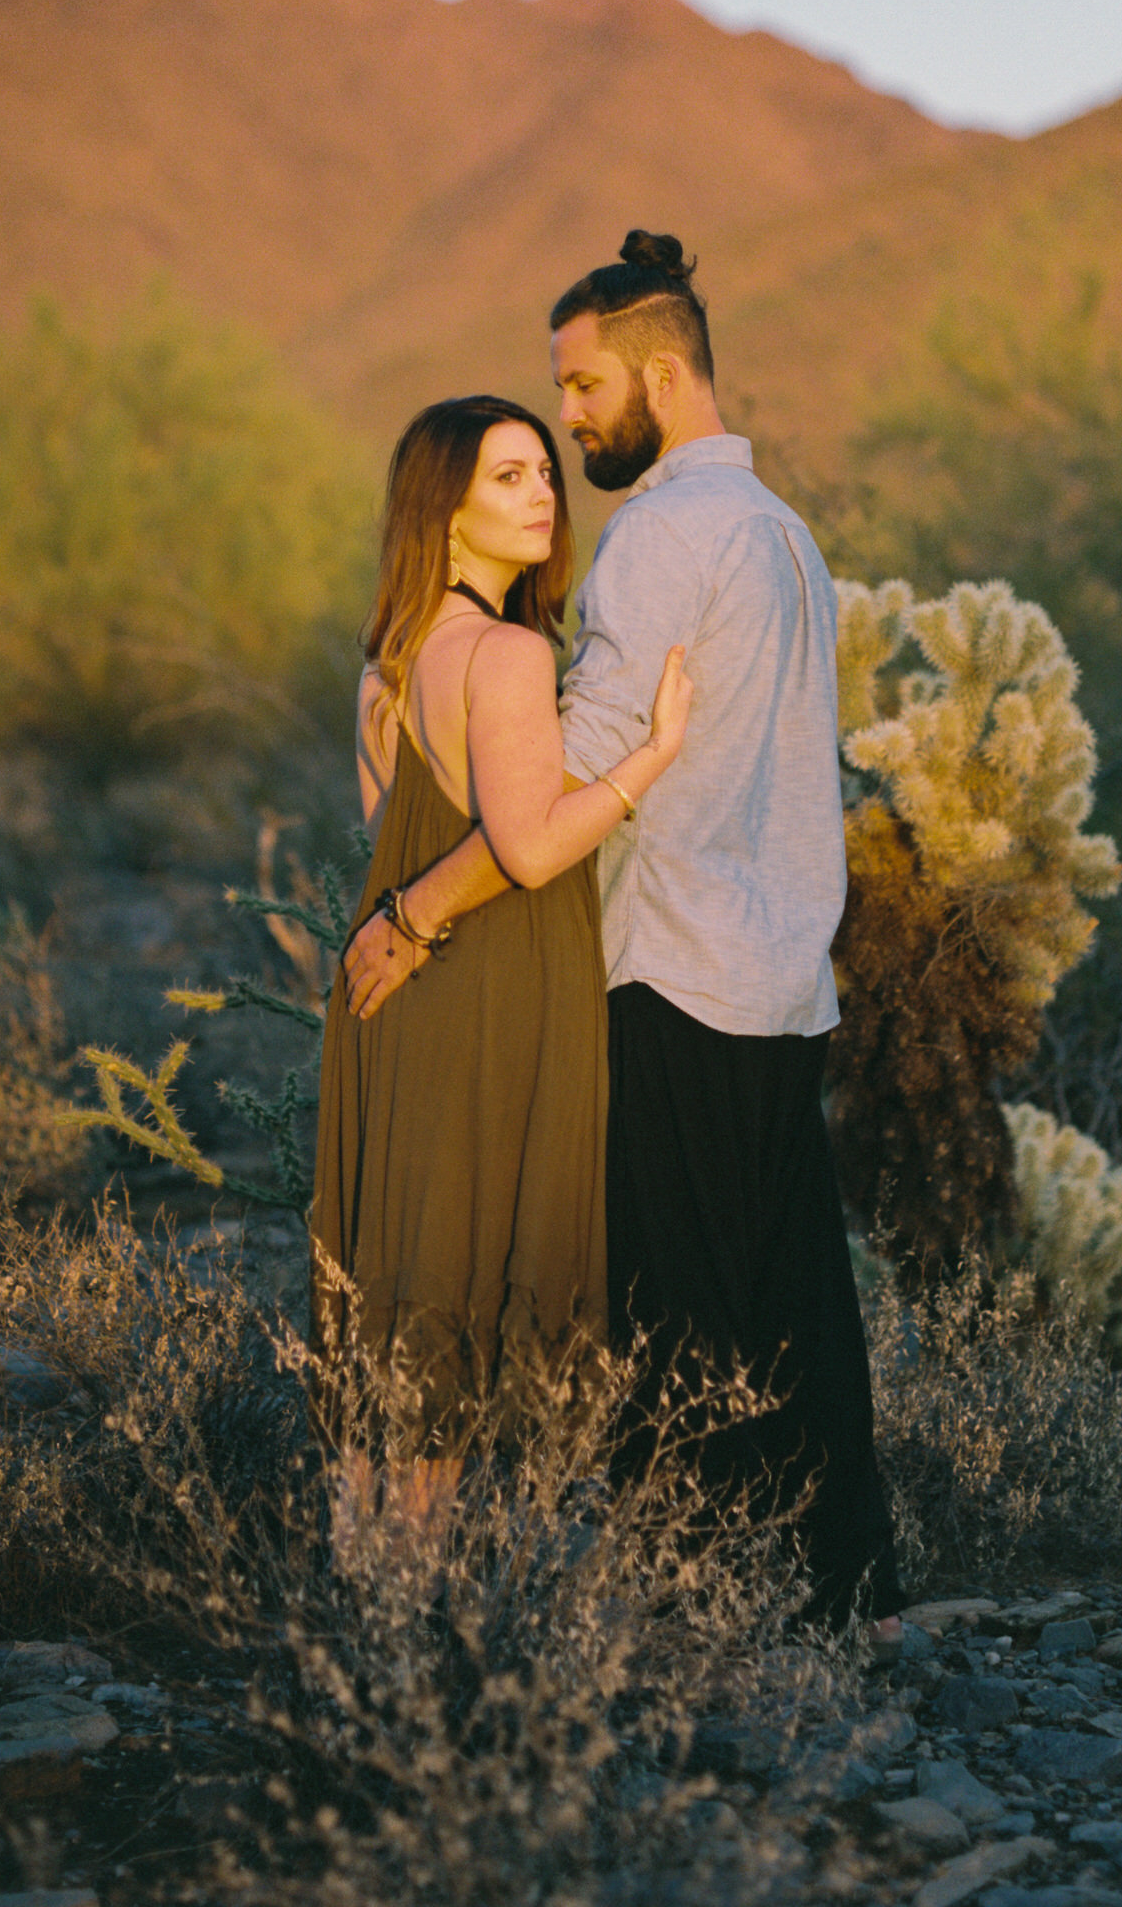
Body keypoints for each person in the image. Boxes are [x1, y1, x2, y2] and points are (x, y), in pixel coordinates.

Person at [344, 236, 904, 1629]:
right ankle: (848, 1594)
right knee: (795, 1307)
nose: (573, 418)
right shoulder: (785, 532)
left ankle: (687, 1615)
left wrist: (416, 911)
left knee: (671, 1327)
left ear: (662, 372)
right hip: (780, 975)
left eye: (583, 390)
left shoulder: (662, 536)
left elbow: (566, 779)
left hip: (669, 971)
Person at [311, 394, 689, 1524]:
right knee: (471, 1274)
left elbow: (388, 832)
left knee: (401, 1275)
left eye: (542, 473)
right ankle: (428, 1612)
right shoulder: (511, 652)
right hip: (496, 988)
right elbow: (526, 847)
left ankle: (370, 1592)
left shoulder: (386, 668)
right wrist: (646, 761)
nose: (541, 497)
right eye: (507, 478)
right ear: (448, 512)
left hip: (397, 997)